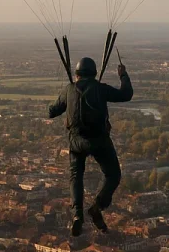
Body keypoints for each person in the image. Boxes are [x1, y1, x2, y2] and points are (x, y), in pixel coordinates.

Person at [48, 56, 133, 236]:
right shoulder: (100, 89)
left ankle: (77, 214)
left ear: (76, 74)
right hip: (99, 141)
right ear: (94, 74)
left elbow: (52, 111)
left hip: (76, 142)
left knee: (76, 176)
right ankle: (97, 206)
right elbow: (126, 94)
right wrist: (123, 75)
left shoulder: (69, 90)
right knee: (113, 174)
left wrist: (64, 98)